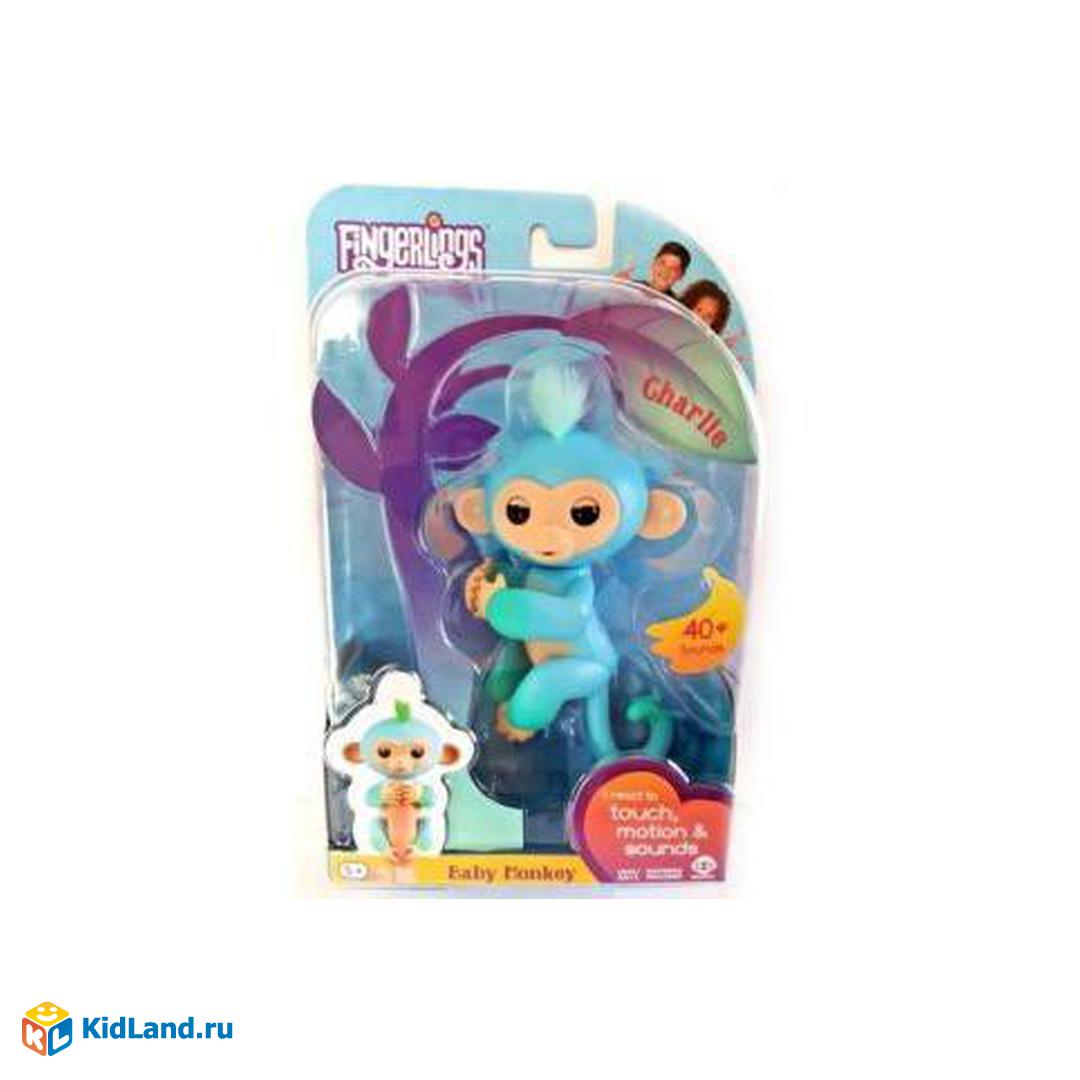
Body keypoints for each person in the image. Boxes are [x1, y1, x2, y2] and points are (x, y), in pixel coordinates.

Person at [615, 240, 691, 297]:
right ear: (653, 264)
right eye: (662, 263)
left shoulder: (676, 307)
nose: (665, 271)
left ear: (681, 275)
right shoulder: (631, 288)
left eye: (673, 268)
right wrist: (616, 288)